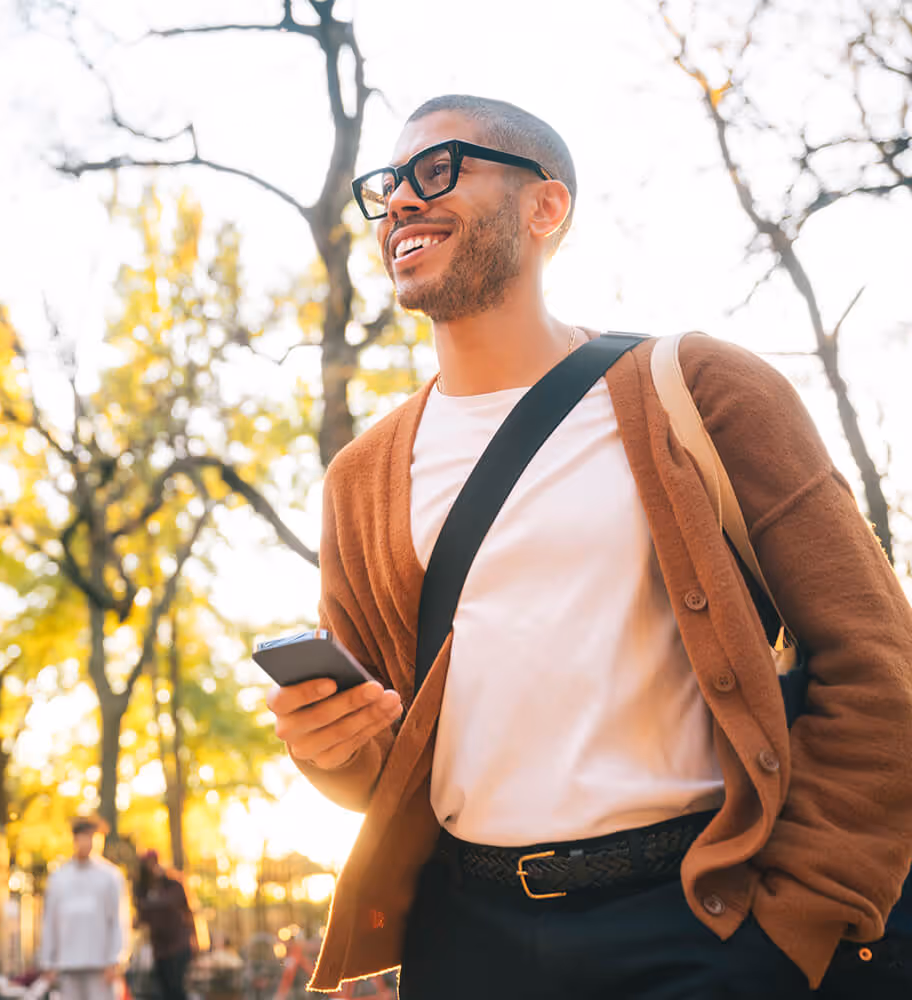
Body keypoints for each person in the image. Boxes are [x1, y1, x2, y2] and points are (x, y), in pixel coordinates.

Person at [265, 94, 912, 999]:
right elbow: (384, 767)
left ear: (546, 207)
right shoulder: (361, 477)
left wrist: (796, 922)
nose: (401, 200)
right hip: (466, 943)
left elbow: (878, 661)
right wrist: (326, 746)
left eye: (437, 169)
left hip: (701, 922)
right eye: (388, 186)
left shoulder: (701, 391)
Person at [40, 814, 129, 1000]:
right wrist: (47, 961)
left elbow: (119, 920)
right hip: (68, 963)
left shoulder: (111, 876)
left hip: (101, 964)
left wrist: (116, 959)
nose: (88, 843)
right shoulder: (59, 878)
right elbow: (50, 921)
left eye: (93, 838)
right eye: (84, 837)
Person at [133, 851, 196, 1000]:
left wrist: (197, 939)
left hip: (179, 945)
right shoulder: (143, 889)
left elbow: (188, 912)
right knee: (165, 990)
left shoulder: (174, 885)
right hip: (160, 948)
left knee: (178, 989)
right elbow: (141, 917)